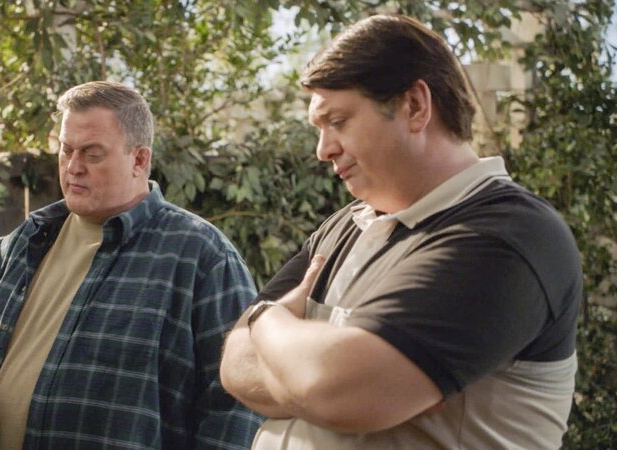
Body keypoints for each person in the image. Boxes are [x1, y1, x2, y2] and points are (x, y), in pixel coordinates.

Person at [220, 14, 582, 450]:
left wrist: (267, 320)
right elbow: (234, 366)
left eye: (338, 121)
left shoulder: (507, 236)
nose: (323, 150)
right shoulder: (343, 227)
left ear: (414, 106)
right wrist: (306, 373)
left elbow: (338, 391)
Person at [0, 81, 262, 449]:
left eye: (92, 154)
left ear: (139, 159)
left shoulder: (202, 256)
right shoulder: (29, 240)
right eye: (66, 150)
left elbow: (239, 403)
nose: (73, 166)